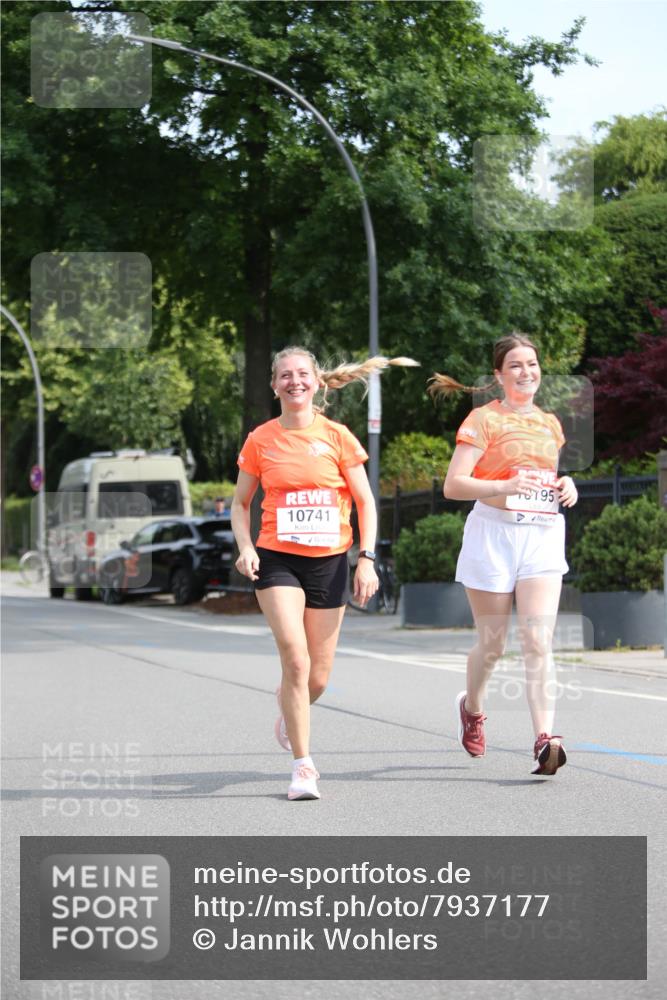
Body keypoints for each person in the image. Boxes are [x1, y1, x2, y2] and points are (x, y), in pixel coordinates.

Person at [232, 346, 417, 800]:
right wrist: (245, 547)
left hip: (330, 560)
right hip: (276, 558)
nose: (294, 382)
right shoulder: (261, 439)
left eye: (301, 374)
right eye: (284, 375)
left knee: (317, 677)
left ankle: (290, 713)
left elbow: (365, 502)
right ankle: (303, 766)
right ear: (274, 385)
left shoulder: (337, 436)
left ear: (316, 382)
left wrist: (367, 558)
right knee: (294, 659)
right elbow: (240, 504)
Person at [429, 333, 578, 775]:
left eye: (531, 364)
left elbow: (543, 479)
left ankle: (544, 738)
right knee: (493, 645)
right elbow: (454, 485)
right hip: (493, 534)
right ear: (498, 375)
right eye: (515, 365)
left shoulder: (551, 423)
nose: (525, 372)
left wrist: (565, 485)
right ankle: (472, 708)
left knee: (537, 639)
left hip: (543, 534)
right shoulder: (483, 419)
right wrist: (503, 487)